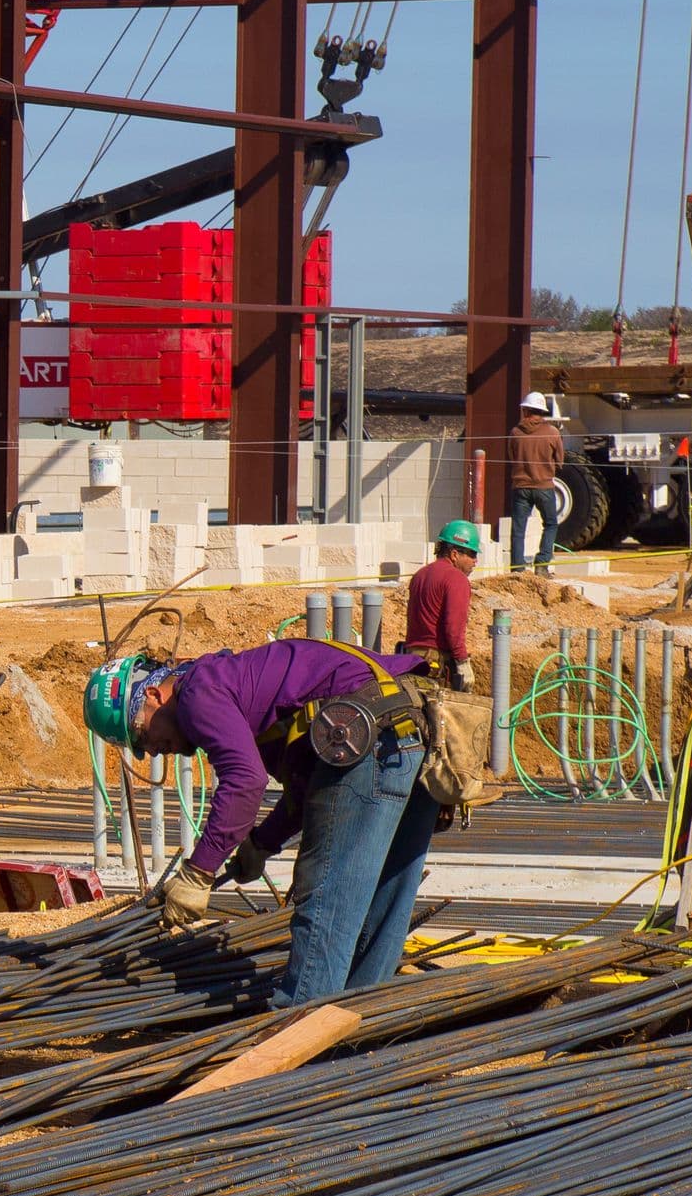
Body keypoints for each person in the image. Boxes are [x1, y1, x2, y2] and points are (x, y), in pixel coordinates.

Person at [87, 638, 437, 1004]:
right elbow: (306, 791)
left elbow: (245, 781)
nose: (153, 751)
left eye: (143, 735)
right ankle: (360, 1021)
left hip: (367, 736)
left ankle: (297, 1029)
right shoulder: (234, 687)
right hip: (414, 734)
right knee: (386, 897)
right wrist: (260, 843)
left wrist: (200, 871)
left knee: (327, 896)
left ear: (156, 695)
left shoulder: (196, 694)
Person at [398, 520, 480, 687]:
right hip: (435, 663)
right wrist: (462, 662)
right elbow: (453, 628)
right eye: (471, 554)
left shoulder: (420, 575)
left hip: (412, 659)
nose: (475, 561)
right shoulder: (456, 579)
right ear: (455, 554)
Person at [505, 394, 564, 572]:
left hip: (520, 487)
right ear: (542, 411)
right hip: (544, 486)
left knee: (518, 530)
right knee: (551, 524)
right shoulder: (553, 432)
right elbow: (560, 461)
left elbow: (511, 458)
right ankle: (542, 564)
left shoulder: (515, 433)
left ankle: (517, 569)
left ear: (526, 410)